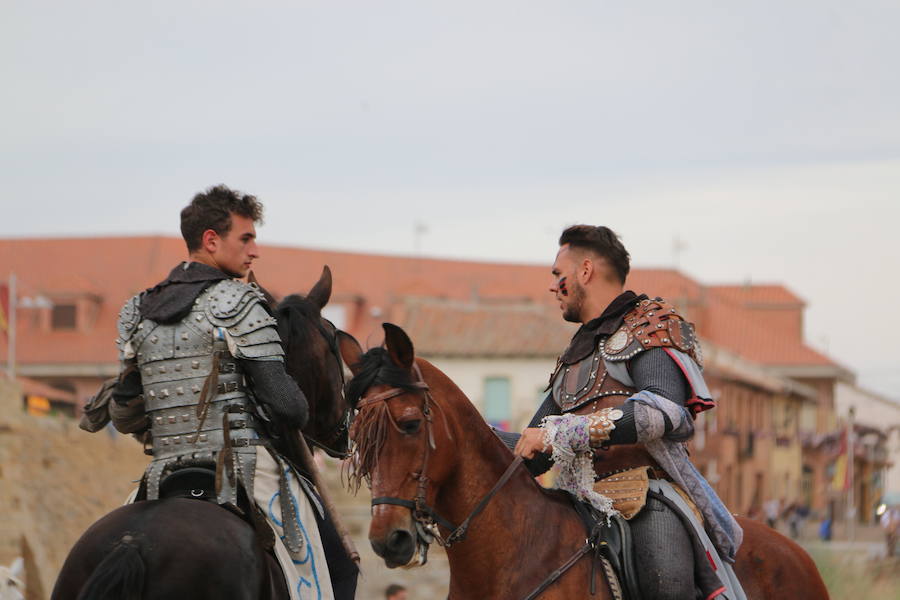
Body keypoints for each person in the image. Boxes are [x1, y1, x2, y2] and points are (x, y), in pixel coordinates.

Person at [105, 185, 356, 599]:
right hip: (243, 465)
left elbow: (123, 414)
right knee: (340, 566)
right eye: (246, 238)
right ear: (210, 240)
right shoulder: (241, 303)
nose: (254, 250)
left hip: (163, 471)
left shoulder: (136, 311)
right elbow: (289, 407)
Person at [499, 225, 743, 600]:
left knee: (668, 586)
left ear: (584, 271)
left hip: (646, 494)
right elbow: (532, 451)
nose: (553, 286)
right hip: (577, 502)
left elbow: (660, 414)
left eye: (557, 275)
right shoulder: (575, 355)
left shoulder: (651, 325)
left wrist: (558, 434)